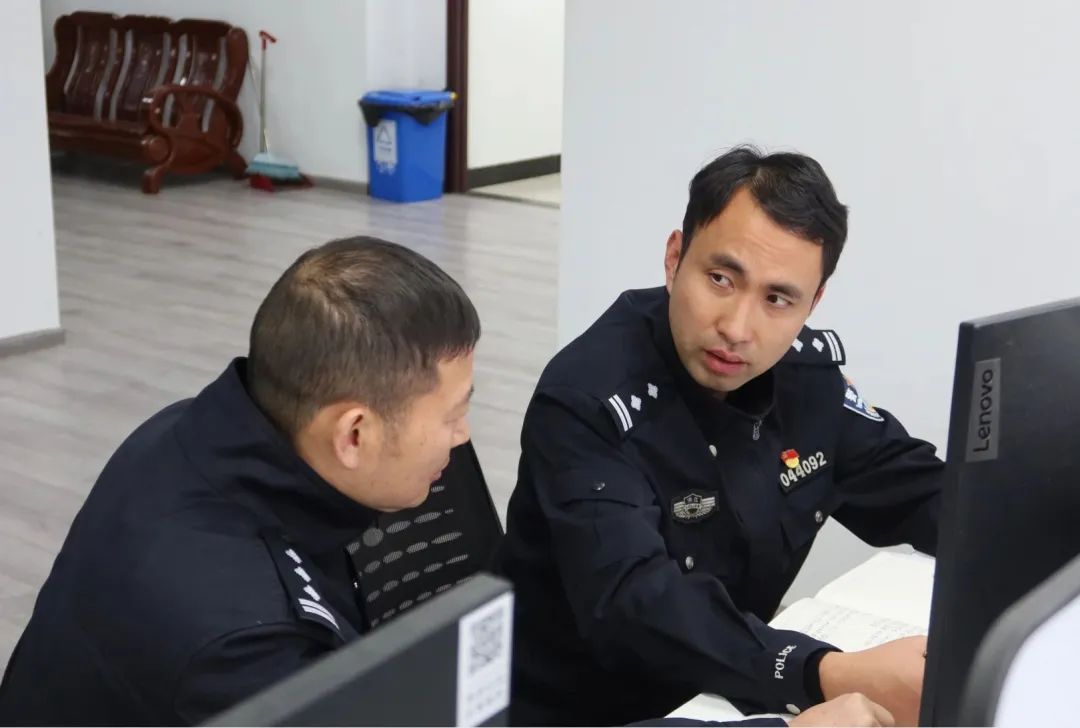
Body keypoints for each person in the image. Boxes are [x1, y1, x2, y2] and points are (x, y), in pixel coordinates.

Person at [495, 146, 944, 726]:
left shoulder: (806, 377)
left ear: (813, 302)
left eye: (778, 299)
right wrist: (822, 673)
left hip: (726, 692)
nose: (736, 328)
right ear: (674, 257)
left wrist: (1030, 531)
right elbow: (637, 602)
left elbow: (918, 490)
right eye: (720, 279)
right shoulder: (588, 400)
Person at [0, 237, 479, 724]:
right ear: (353, 434)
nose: (462, 435)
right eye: (453, 416)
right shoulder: (251, 648)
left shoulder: (190, 428)